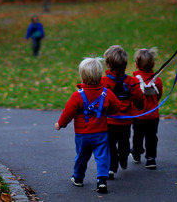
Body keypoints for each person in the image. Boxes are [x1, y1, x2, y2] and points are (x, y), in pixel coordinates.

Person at [55, 57, 122, 194]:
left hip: (82, 134)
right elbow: (117, 106)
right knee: (102, 156)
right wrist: (107, 111)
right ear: (100, 76)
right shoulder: (107, 93)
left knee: (81, 156)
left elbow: (68, 112)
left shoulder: (77, 96)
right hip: (101, 132)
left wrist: (60, 124)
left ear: (82, 77)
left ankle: (78, 178)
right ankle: (102, 180)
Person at [100, 45, 140, 179]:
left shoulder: (104, 81)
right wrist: (140, 105)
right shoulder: (131, 81)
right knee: (124, 141)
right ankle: (123, 159)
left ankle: (111, 167)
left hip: (110, 120)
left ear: (107, 63)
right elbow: (138, 98)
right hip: (126, 120)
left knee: (110, 143)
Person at [130, 47, 163, 170]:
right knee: (152, 136)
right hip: (153, 115)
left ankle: (137, 153)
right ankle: (151, 158)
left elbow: (132, 96)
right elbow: (159, 94)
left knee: (137, 134)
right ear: (154, 64)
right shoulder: (157, 80)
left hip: (138, 115)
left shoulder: (134, 81)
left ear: (136, 65)